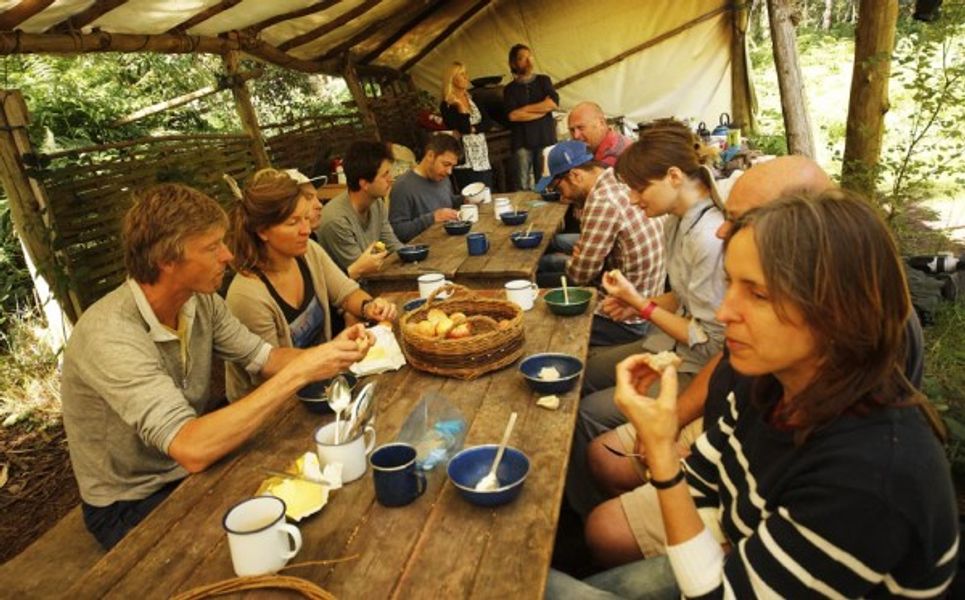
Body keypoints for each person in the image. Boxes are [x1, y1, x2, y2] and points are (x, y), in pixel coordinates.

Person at [550, 191, 959, 598]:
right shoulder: (768, 380)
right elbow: (706, 478)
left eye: (758, 294)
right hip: (745, 552)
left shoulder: (870, 478)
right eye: (731, 284)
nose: (726, 312)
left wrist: (660, 451)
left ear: (839, 311)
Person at [60, 183, 374, 550]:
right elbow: (191, 447)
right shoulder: (110, 335)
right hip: (133, 500)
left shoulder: (200, 302)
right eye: (212, 247)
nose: (227, 255)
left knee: (329, 501)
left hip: (190, 467)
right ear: (167, 261)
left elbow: (266, 358)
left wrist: (334, 352)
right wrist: (301, 371)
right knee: (276, 538)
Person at [563, 121, 726, 520]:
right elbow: (686, 296)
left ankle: (587, 512)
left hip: (694, 366)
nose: (633, 200)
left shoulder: (708, 237)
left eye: (639, 189)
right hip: (666, 344)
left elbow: (710, 343)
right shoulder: (675, 219)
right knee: (579, 371)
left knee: (587, 414)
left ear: (673, 177)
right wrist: (642, 302)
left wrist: (643, 306)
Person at [225, 169, 398, 400]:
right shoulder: (248, 294)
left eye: (305, 218)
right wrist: (332, 353)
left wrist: (369, 306)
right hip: (277, 408)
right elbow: (269, 368)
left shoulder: (308, 253)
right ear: (263, 231)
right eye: (293, 222)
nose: (306, 230)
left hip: (322, 383)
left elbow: (346, 293)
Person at [534, 140, 666, 347]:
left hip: (625, 319)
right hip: (647, 297)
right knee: (549, 267)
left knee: (535, 317)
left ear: (575, 176)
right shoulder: (620, 179)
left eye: (558, 188)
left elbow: (580, 275)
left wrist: (579, 258)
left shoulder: (602, 201)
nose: (562, 198)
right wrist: (586, 257)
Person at [316, 140, 403, 278]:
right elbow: (361, 271)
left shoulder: (376, 203)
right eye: (384, 175)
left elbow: (393, 246)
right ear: (364, 184)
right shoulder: (336, 220)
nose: (390, 179)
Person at [503, 44, 559, 191]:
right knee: (522, 185)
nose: (528, 61)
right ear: (514, 63)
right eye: (522, 58)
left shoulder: (543, 80)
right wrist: (541, 110)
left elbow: (552, 104)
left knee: (546, 183)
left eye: (530, 56)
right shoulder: (510, 89)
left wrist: (525, 110)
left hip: (544, 137)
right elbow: (513, 116)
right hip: (522, 141)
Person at [388, 134, 462, 242]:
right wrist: (432, 219)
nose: (449, 171)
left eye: (452, 166)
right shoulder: (403, 186)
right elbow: (398, 232)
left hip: (450, 243)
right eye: (446, 164)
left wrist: (464, 199)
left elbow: (447, 201)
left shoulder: (442, 177)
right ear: (430, 156)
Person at [440, 61, 494, 191]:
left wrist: (473, 129)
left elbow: (488, 123)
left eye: (466, 74)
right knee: (471, 194)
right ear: (452, 79)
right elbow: (463, 128)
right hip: (465, 159)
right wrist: (461, 108)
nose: (466, 77)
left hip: (481, 155)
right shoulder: (447, 105)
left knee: (487, 192)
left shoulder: (474, 99)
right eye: (461, 74)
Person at [567, 101, 633, 167]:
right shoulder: (597, 148)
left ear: (601, 124)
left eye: (581, 128)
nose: (576, 136)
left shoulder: (614, 157)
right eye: (572, 130)